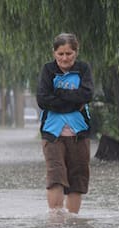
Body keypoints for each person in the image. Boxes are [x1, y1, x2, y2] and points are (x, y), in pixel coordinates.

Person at [36, 33, 94, 214]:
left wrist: (59, 93)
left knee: (77, 180)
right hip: (52, 133)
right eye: (60, 53)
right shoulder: (48, 70)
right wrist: (73, 103)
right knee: (56, 177)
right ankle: (56, 222)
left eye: (69, 53)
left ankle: (73, 223)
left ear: (76, 52)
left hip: (79, 133)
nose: (64, 58)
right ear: (54, 53)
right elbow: (43, 99)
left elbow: (87, 95)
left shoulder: (83, 69)